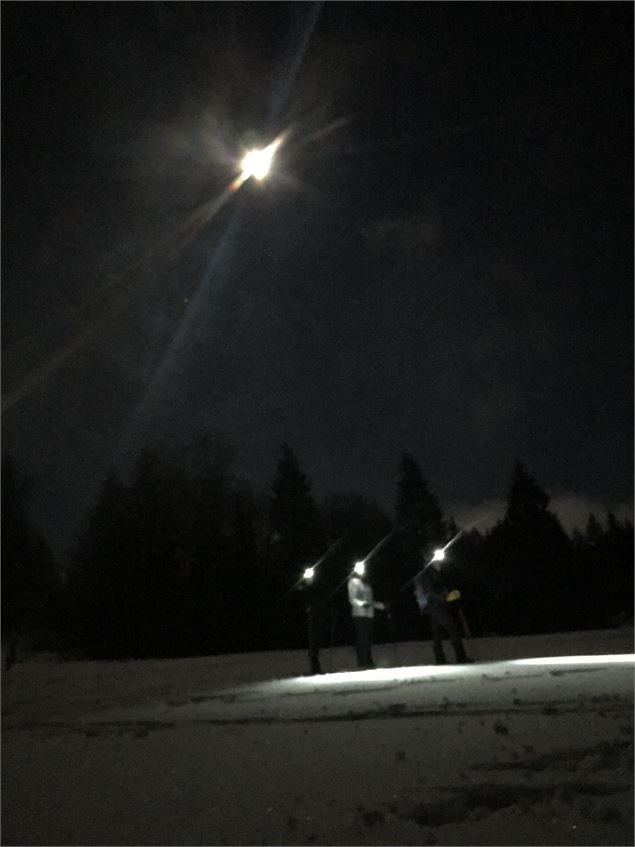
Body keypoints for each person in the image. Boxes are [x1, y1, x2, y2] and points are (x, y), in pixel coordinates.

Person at [413, 557, 470, 664]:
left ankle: (440, 658)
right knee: (452, 627)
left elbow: (435, 590)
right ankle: (461, 656)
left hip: (434, 605)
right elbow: (431, 592)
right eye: (437, 561)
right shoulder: (428, 574)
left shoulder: (433, 573)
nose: (440, 563)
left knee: (437, 633)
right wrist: (447, 597)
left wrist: (447, 597)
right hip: (434, 605)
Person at [347, 562, 385, 669]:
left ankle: (369, 661)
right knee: (363, 638)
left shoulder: (366, 583)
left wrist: (380, 605)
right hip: (359, 614)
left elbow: (370, 600)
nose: (362, 570)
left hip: (369, 614)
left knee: (368, 638)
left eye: (363, 568)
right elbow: (352, 599)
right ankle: (363, 663)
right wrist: (362, 604)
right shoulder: (353, 582)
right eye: (359, 568)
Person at [298, 567, 327, 675]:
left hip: (317, 615)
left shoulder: (316, 588)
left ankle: (316, 667)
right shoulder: (305, 587)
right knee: (312, 643)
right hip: (309, 617)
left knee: (316, 642)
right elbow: (302, 595)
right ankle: (314, 667)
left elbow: (320, 598)